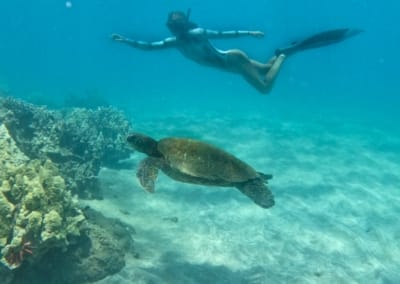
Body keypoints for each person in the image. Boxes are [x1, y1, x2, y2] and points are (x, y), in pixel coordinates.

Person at [112, 9, 362, 94]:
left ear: (182, 25)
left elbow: (224, 34)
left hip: (233, 60)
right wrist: (124, 40)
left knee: (265, 89)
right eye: (172, 26)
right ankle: (285, 51)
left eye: (176, 25)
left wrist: (250, 32)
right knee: (265, 67)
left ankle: (284, 55)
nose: (175, 29)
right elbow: (147, 47)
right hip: (230, 61)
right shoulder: (174, 42)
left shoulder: (196, 34)